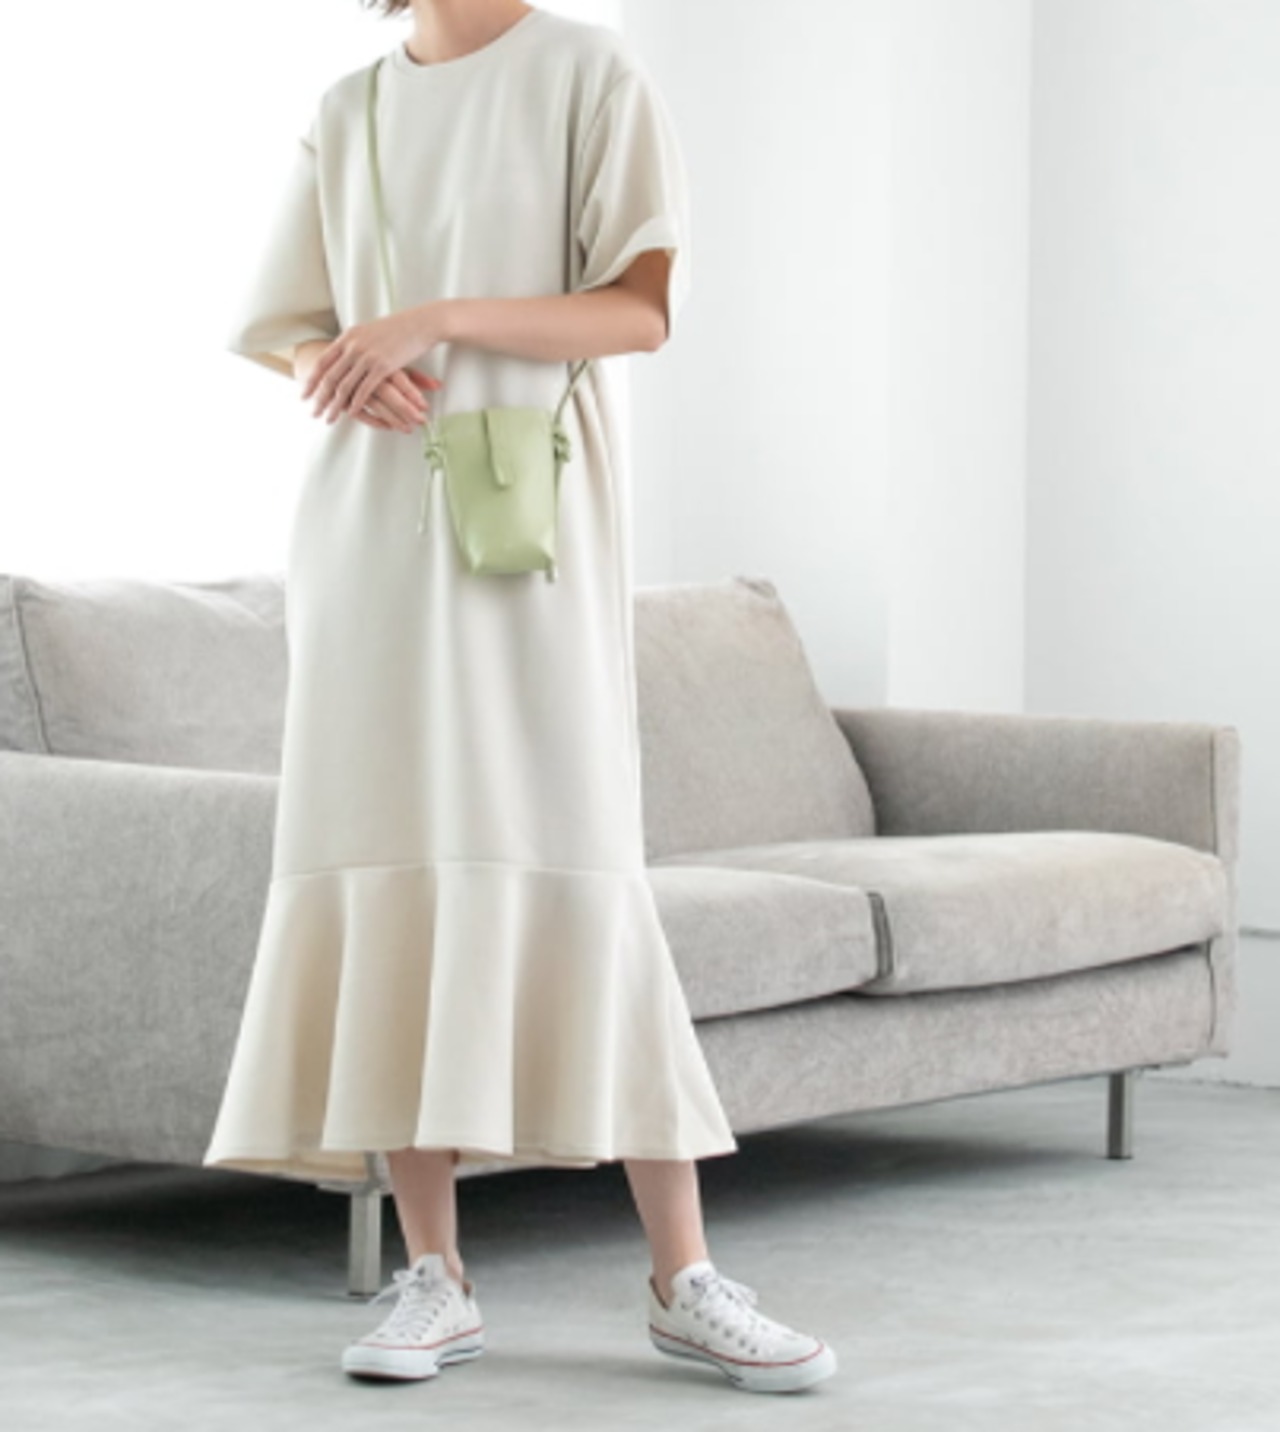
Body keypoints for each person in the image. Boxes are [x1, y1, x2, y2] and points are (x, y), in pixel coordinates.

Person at [203, 0, 837, 1395]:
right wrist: (336, 366)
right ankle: (435, 1271)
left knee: (579, 859)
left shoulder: (587, 71)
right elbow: (283, 326)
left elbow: (640, 308)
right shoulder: (352, 106)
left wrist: (433, 316)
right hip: (369, 536)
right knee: (391, 867)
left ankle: (684, 1275)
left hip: (529, 530)